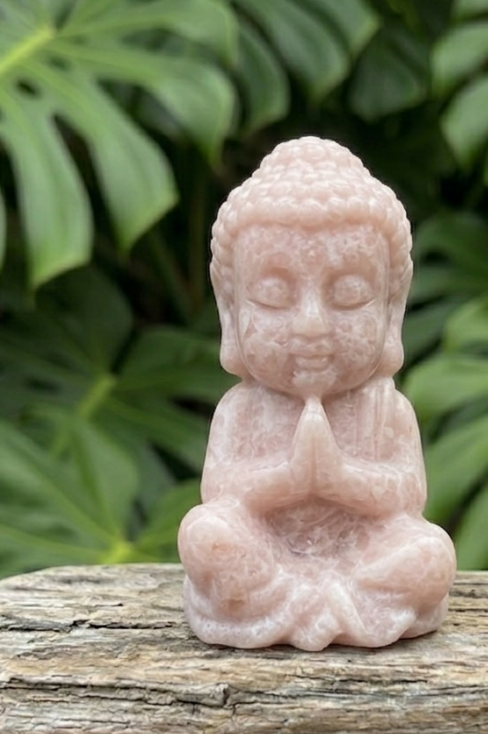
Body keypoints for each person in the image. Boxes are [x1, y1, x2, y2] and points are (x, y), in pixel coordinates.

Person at [178, 137, 456, 650]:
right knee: (206, 532)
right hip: (270, 555)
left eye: (348, 295)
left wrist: (339, 477)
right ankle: (334, 607)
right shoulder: (242, 408)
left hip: (363, 554)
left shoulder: (386, 409)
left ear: (391, 308)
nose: (312, 325)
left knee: (429, 552)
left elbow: (406, 496)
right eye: (273, 295)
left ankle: (295, 607)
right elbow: (223, 493)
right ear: (230, 310)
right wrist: (291, 478)